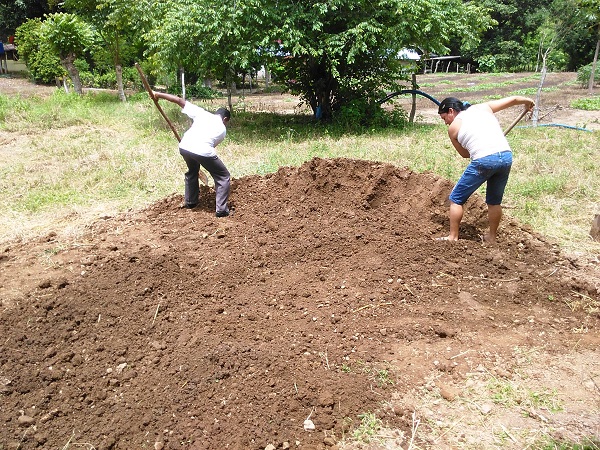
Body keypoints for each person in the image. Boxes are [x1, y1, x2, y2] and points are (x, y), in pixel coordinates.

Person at [437, 95, 534, 242]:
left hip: (484, 160)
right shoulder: (483, 107)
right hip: (506, 157)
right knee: (494, 202)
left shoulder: (453, 128)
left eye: (444, 118)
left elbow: (465, 154)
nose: (446, 123)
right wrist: (528, 102)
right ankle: (491, 238)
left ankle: (452, 237)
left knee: (456, 198)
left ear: (451, 111)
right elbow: (514, 100)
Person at [152, 91, 232, 217]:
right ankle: (221, 210)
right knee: (223, 176)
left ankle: (191, 202)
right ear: (225, 119)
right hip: (202, 151)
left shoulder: (202, 113)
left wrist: (158, 94)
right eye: (226, 122)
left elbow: (178, 100)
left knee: (192, 170)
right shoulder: (222, 129)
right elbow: (206, 153)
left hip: (184, 147)